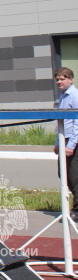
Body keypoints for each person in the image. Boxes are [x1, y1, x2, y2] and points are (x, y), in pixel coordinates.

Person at [54, 67, 78, 222]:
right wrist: (58, 142)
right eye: (57, 79)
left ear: (71, 80)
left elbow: (77, 122)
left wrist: (71, 145)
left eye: (63, 79)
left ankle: (77, 211)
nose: (59, 82)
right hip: (64, 140)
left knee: (75, 177)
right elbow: (61, 121)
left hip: (73, 141)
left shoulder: (75, 96)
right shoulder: (63, 97)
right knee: (63, 175)